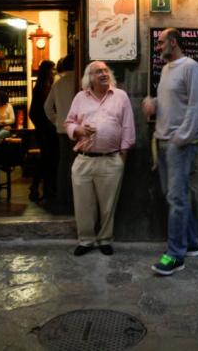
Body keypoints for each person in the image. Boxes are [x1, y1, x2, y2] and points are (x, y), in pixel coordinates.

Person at [142, 28, 198, 275]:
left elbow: (197, 105)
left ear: (173, 42)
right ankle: (191, 243)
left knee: (176, 199)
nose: (158, 47)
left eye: (160, 43)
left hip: (178, 144)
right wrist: (153, 105)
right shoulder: (166, 70)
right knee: (175, 196)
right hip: (163, 141)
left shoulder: (191, 67)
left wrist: (181, 137)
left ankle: (175, 255)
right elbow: (171, 102)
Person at [65, 61, 135, 256]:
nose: (104, 74)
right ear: (90, 78)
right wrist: (78, 130)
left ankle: (105, 239)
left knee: (108, 205)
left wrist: (122, 158)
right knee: (83, 205)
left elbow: (128, 127)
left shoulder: (120, 96)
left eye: (105, 71)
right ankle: (86, 240)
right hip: (84, 159)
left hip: (111, 159)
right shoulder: (80, 97)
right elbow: (68, 122)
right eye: (98, 72)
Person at [44, 54, 76, 213]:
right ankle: (74, 196)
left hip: (62, 129)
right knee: (76, 163)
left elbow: (47, 107)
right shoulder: (79, 81)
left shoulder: (58, 83)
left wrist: (57, 121)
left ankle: (62, 197)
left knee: (63, 163)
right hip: (77, 129)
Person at [29, 59, 58, 204]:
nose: (54, 72)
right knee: (47, 159)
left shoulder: (45, 86)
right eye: (52, 70)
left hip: (46, 128)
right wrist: (45, 126)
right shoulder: (43, 87)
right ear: (47, 71)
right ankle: (43, 189)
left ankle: (39, 188)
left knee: (46, 159)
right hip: (46, 130)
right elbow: (36, 112)